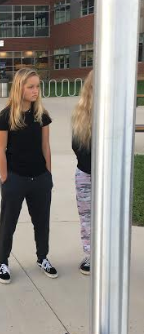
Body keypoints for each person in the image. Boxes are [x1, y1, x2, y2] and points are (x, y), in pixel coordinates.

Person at [0, 68, 58, 284]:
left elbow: (45, 146)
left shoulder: (42, 116)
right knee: (8, 223)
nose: (35, 90)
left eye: (37, 86)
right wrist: (5, 178)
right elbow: (0, 150)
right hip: (15, 179)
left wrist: (48, 175)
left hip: (40, 179)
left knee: (42, 223)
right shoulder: (6, 117)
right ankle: (2, 261)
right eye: (30, 86)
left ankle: (43, 258)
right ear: (19, 87)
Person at [71, 70, 93, 275]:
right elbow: (76, 145)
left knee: (112, 215)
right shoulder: (80, 113)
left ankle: (111, 252)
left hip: (110, 176)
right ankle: (90, 254)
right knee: (86, 217)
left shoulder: (117, 113)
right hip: (85, 174)